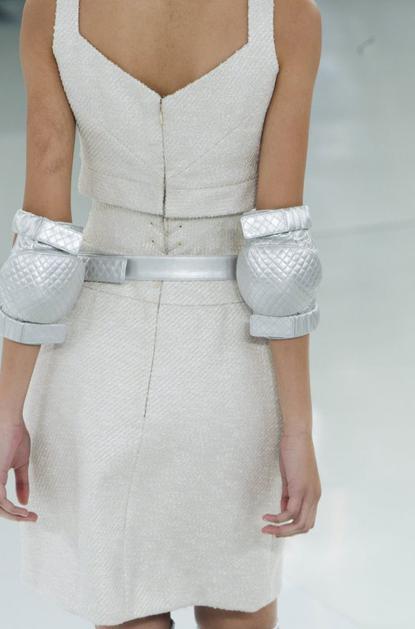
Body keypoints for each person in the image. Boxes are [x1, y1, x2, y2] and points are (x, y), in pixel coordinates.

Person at [0, 1, 323, 628]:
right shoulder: (286, 16)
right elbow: (281, 254)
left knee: (122, 604)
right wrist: (297, 430)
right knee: (237, 602)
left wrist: (8, 409)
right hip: (230, 358)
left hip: (99, 358)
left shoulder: (54, 12)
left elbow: (40, 242)